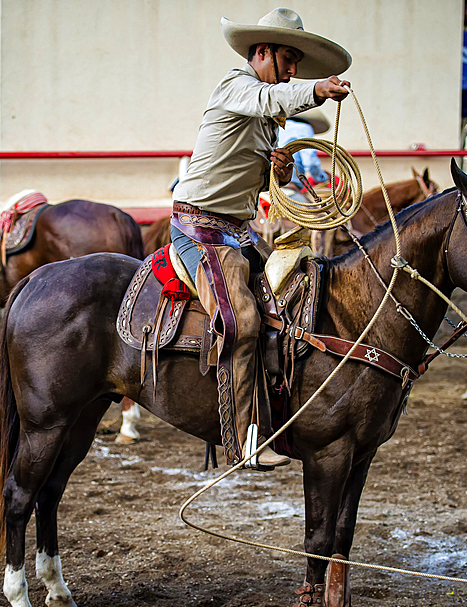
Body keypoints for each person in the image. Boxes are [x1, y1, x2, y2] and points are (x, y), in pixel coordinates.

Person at [170, 8, 350, 470]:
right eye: (288, 59)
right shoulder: (235, 86)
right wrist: (316, 88)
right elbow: (270, 100)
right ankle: (242, 440)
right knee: (243, 322)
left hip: (235, 232)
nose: (292, 69)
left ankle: (281, 418)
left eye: (296, 64)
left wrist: (275, 172)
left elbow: (247, 169)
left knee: (291, 301)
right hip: (201, 229)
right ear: (262, 52)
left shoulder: (263, 112)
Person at [278, 108, 330, 192]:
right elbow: (310, 161)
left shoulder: (277, 128)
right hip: (289, 185)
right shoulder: (304, 127)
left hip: (272, 184)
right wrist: (322, 178)